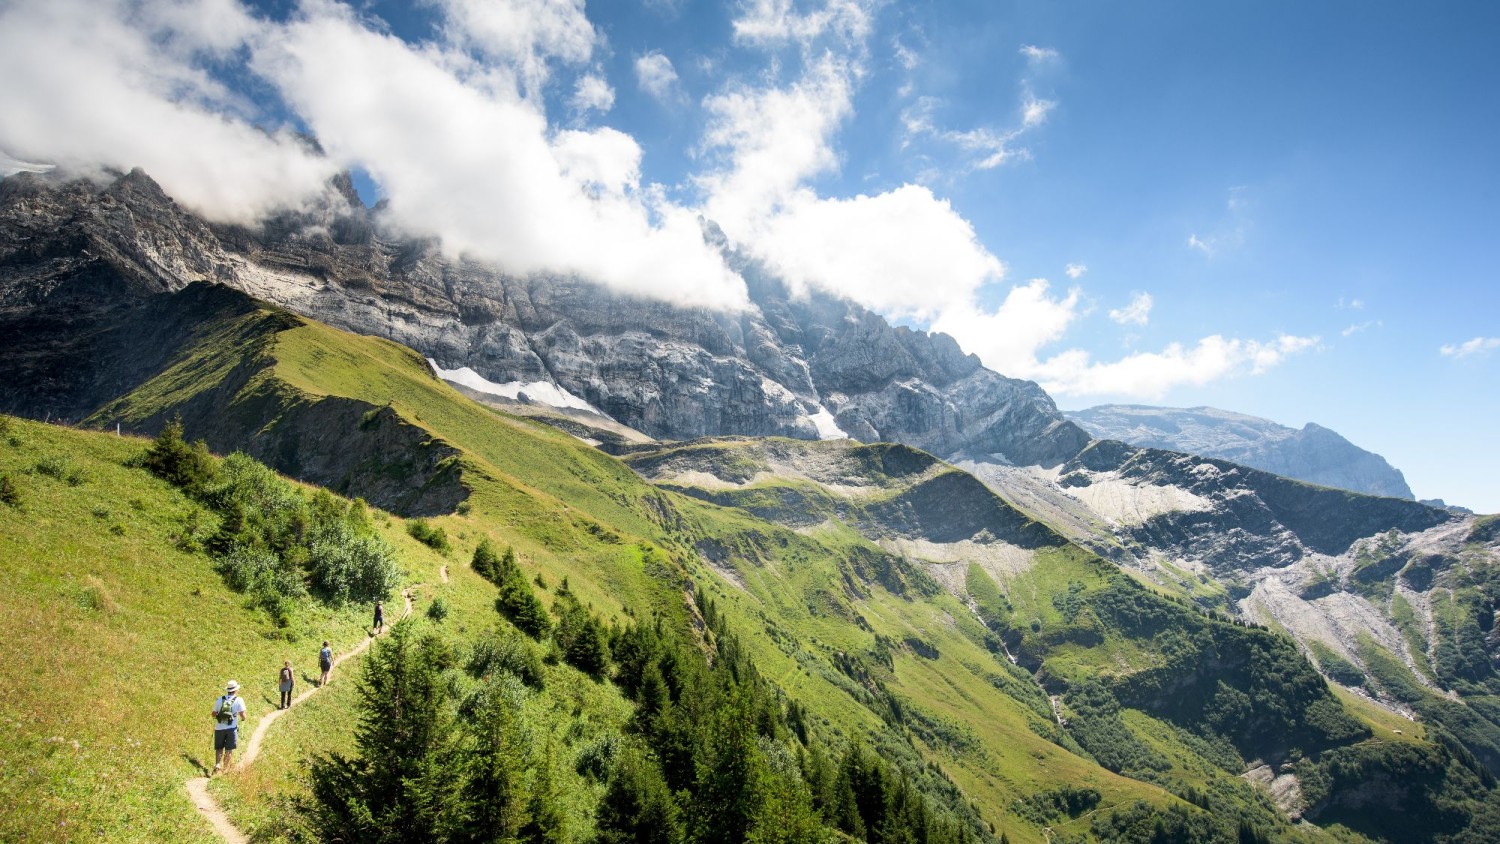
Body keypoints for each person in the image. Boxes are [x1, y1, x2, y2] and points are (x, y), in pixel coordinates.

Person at [211, 680, 246, 774]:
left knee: (219, 747)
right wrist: (243, 719)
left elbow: (213, 714)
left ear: (228, 690)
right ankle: (225, 768)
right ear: (235, 690)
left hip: (219, 728)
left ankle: (217, 764)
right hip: (231, 728)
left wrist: (220, 715)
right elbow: (243, 714)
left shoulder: (219, 699)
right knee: (229, 749)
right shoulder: (239, 700)